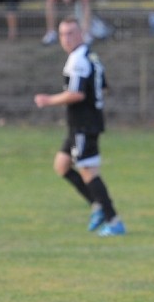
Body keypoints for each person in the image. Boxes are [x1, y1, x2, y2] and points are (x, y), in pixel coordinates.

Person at [33, 18, 125, 236]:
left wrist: (48, 100)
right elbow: (103, 88)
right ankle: (98, 205)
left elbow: (77, 93)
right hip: (81, 123)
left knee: (89, 171)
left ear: (81, 34)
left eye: (71, 33)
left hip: (84, 124)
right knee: (62, 165)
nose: (66, 38)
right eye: (63, 34)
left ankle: (113, 220)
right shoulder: (90, 56)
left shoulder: (78, 60)